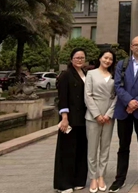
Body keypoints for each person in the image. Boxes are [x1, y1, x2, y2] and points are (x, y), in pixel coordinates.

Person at [109, 36, 138, 193]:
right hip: (124, 111)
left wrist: (136, 103)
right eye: (136, 44)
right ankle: (119, 179)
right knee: (123, 146)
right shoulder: (122, 64)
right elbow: (117, 85)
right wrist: (129, 101)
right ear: (131, 47)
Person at [54, 48, 89, 193]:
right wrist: (64, 118)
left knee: (81, 149)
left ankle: (79, 180)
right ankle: (64, 184)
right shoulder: (66, 75)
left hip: (83, 118)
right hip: (70, 118)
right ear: (71, 59)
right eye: (77, 57)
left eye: (82, 57)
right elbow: (62, 98)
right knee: (67, 150)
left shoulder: (85, 74)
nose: (79, 60)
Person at [84, 50, 118, 193]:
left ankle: (101, 176)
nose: (107, 61)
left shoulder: (114, 75)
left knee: (105, 148)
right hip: (93, 117)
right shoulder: (91, 74)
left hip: (109, 117)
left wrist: (109, 114)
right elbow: (88, 95)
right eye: (105, 58)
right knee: (92, 149)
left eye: (110, 59)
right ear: (100, 58)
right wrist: (97, 114)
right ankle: (93, 177)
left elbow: (116, 96)